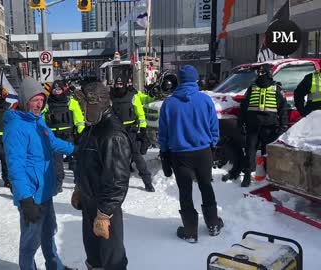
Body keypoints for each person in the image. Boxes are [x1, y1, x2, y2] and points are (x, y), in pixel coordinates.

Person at [3, 77, 76, 270]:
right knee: (29, 243)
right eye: (35, 100)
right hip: (31, 196)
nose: (39, 104)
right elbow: (15, 167)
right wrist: (25, 199)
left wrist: (75, 148)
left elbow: (52, 143)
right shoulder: (16, 127)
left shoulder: (38, 121)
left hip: (45, 191)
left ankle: (55, 267)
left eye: (42, 100)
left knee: (48, 234)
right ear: (26, 100)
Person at [158, 65, 223, 243]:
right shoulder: (205, 100)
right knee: (206, 186)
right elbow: (213, 127)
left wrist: (164, 153)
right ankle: (213, 224)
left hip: (180, 155)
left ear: (179, 80)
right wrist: (213, 144)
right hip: (203, 152)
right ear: (196, 79)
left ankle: (190, 231)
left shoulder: (169, 103)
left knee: (185, 191)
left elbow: (163, 133)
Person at [71, 82, 131, 270]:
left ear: (97, 103)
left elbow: (117, 179)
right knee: (94, 256)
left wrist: (104, 214)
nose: (81, 110)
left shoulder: (112, 133)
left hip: (105, 209)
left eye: (84, 106)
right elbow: (86, 163)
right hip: (90, 204)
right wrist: (79, 187)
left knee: (112, 260)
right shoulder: (93, 128)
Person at [238, 64, 288, 187]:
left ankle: (259, 176)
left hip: (264, 126)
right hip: (263, 126)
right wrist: (282, 126)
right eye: (259, 73)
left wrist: (282, 126)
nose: (259, 75)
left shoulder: (273, 89)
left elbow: (283, 110)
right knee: (255, 152)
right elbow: (283, 109)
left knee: (254, 151)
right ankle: (252, 175)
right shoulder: (270, 88)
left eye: (261, 72)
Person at [110, 77, 155, 192]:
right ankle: (117, 182)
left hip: (131, 131)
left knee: (137, 156)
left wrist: (143, 129)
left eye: (121, 84)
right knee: (116, 157)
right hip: (117, 130)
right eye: (117, 84)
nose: (119, 86)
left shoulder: (133, 96)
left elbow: (140, 113)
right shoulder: (112, 97)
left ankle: (147, 182)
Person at [44, 80, 85, 193]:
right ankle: (58, 184)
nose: (57, 92)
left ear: (63, 90)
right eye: (54, 90)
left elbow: (79, 120)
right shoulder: (47, 103)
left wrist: (81, 134)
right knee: (56, 163)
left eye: (59, 90)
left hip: (68, 136)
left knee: (75, 160)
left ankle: (79, 182)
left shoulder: (70, 102)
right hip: (54, 138)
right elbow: (42, 121)